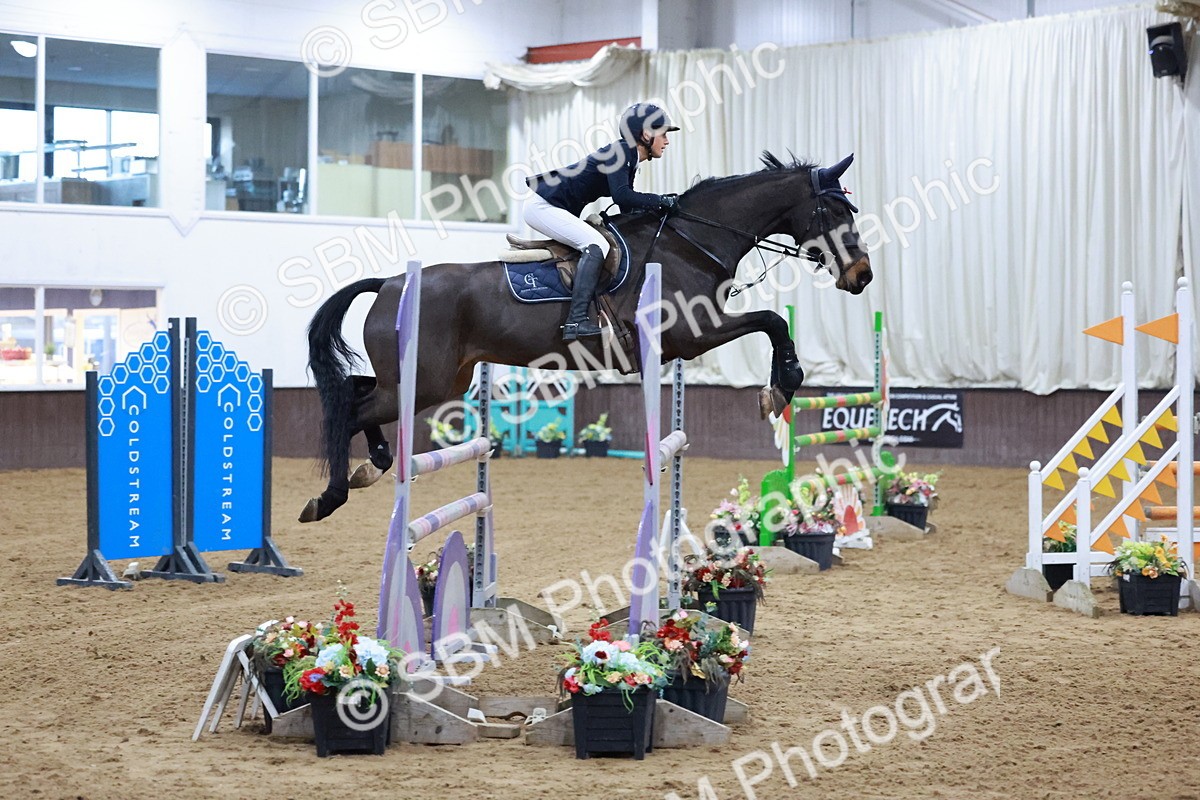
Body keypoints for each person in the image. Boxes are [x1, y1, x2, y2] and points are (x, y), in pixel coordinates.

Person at [525, 103, 680, 341]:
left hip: (551, 207)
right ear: (646, 134)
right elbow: (623, 196)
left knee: (599, 241)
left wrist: (660, 210)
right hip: (543, 207)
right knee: (597, 245)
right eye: (664, 134)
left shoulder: (628, 156)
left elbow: (627, 207)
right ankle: (576, 321)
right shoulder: (621, 151)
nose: (667, 141)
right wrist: (660, 201)